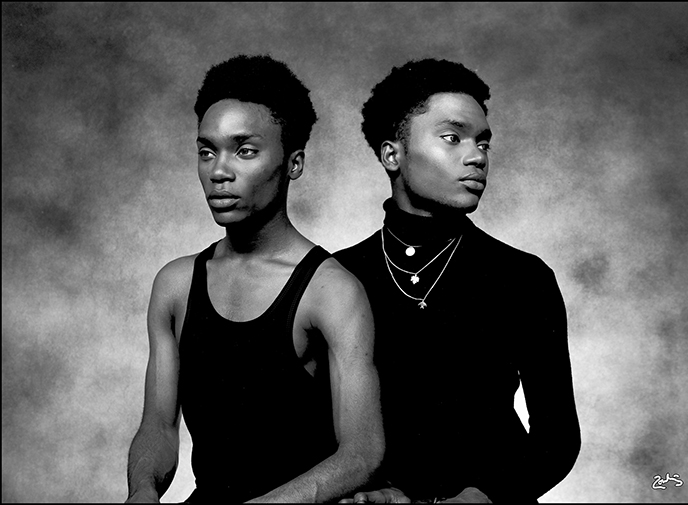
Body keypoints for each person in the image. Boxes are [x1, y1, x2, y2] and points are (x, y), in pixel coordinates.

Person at [125, 54, 384, 503]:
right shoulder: (175, 285)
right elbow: (159, 427)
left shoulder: (331, 292)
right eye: (207, 151)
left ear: (293, 163)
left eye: (244, 151)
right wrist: (142, 490)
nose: (218, 172)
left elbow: (361, 454)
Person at [334, 58, 581, 503]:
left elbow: (558, 439)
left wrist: (485, 496)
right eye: (453, 138)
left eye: (483, 142)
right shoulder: (336, 277)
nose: (477, 157)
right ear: (392, 154)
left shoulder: (522, 277)